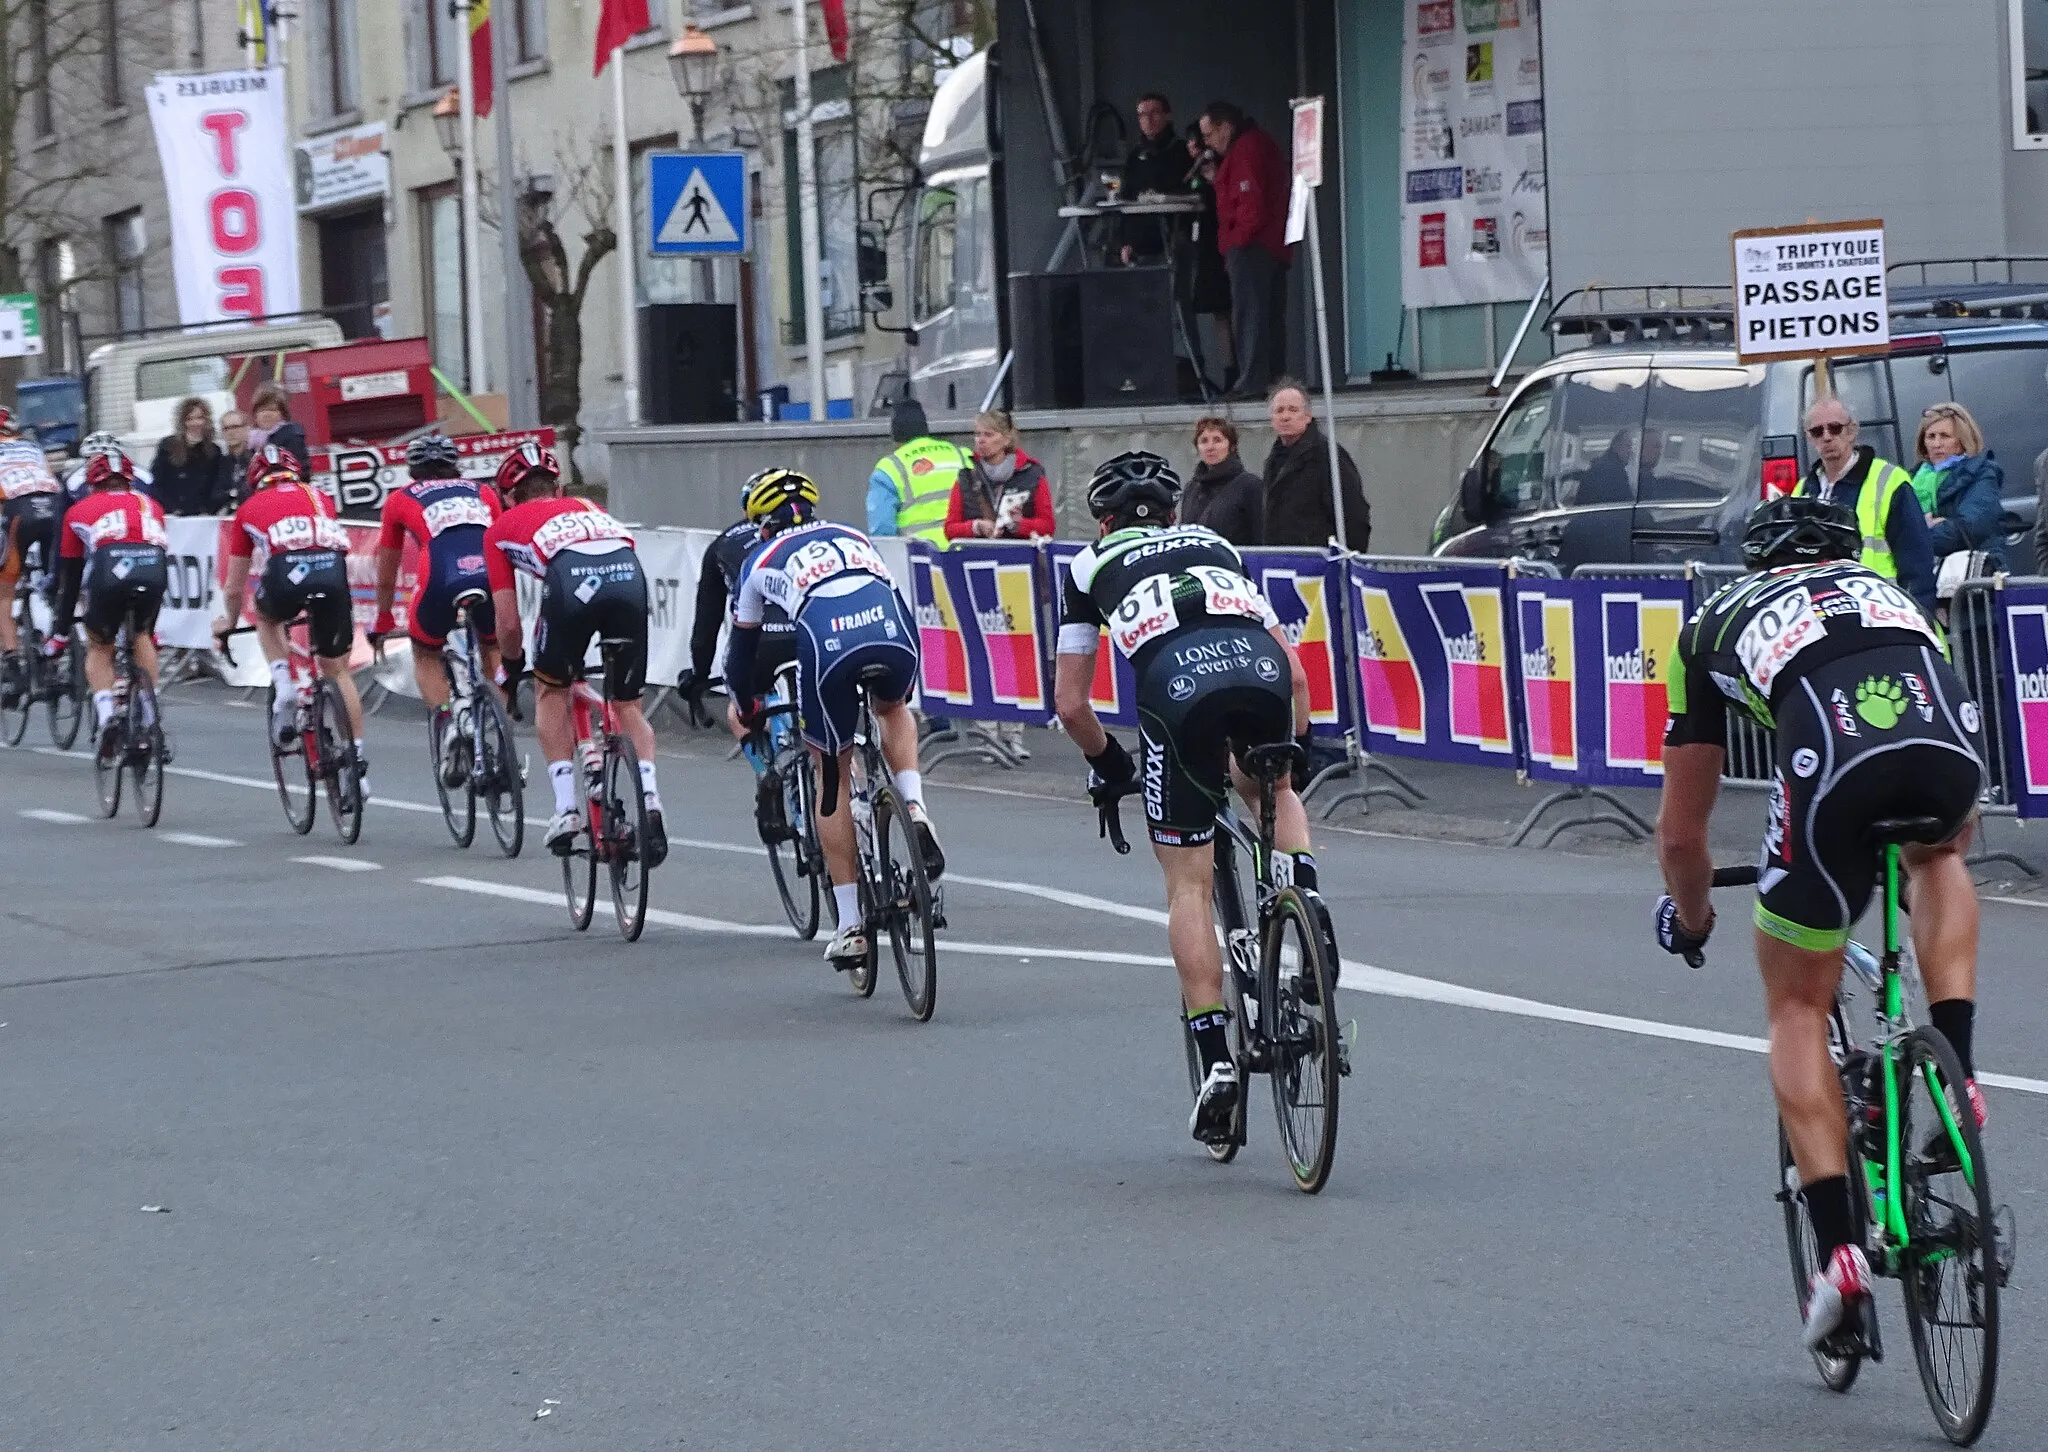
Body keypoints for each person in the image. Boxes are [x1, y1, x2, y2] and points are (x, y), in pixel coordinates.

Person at [1654, 494, 1989, 1351]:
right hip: (1941, 747)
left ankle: (1840, 1255)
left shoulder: (1713, 621)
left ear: (1755, 565)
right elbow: (1952, 806)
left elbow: (1682, 834)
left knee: (1797, 1005)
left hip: (1832, 764)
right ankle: (1957, 1060)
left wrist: (1691, 920)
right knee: (1940, 856)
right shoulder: (1893, 593)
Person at [1052, 451, 1323, 1145]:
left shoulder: (1088, 566)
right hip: (1258, 672)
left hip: (1177, 689)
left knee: (1188, 887)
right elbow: (1292, 667)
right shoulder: (1216, 543)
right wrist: (1300, 741)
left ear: (1104, 520)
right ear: (1174, 513)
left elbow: (1071, 704)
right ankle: (1307, 908)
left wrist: (1113, 766)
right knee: (1273, 783)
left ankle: (1214, 1062)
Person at [722, 467, 946, 967]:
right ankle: (912, 805)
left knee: (833, 773)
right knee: (891, 708)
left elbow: (741, 653)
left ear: (761, 526)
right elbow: (899, 603)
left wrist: (745, 703)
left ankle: (849, 926)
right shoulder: (851, 535)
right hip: (891, 629)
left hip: (827, 642)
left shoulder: (759, 557)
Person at [484, 443, 667, 865]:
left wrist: (512, 668)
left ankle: (567, 809)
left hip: (572, 581)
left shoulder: (499, 528)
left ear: (507, 496)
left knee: (551, 689)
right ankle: (652, 803)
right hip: (627, 573)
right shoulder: (585, 503)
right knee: (627, 705)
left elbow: (508, 624)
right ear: (558, 487)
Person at [215, 445, 370, 792]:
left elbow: (234, 586)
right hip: (331, 572)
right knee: (338, 671)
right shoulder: (319, 496)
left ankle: (284, 683)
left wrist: (228, 621)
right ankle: (357, 760)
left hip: (288, 573)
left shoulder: (249, 509)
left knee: (267, 617)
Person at [371, 433, 502, 788]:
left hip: (440, 574)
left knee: (425, 652)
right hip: (489, 573)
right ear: (456, 465)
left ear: (413, 471)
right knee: (492, 646)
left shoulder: (400, 499)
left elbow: (388, 569)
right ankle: (497, 722)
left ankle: (450, 718)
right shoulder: (484, 493)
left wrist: (383, 619)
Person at [678, 470, 803, 840]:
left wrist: (698, 675)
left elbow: (706, 626)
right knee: (829, 733)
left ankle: (766, 775)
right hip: (810, 625)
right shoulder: (807, 530)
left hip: (759, 635)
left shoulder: (723, 544)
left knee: (742, 707)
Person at [48, 451, 170, 760]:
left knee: (99, 646)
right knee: (141, 636)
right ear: (129, 482)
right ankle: (151, 715)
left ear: (92, 484)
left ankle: (106, 717)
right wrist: (151, 627)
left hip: (109, 572)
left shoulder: (78, 510)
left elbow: (71, 579)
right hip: (153, 571)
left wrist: (61, 632)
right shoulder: (151, 505)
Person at [1792, 397, 1936, 615]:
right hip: (1822, 614)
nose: (1827, 437)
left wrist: (1920, 616)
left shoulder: (1890, 481)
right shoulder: (1803, 490)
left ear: (1852, 431)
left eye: (1835, 428)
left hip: (1883, 613)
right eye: (1817, 432)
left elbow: (1917, 561)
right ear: (1809, 438)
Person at [1199, 100, 1290, 396]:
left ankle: (1252, 380)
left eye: (1209, 134)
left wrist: (1234, 243)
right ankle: (1273, 380)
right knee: (1268, 315)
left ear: (1225, 127)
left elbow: (1250, 203)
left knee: (1249, 314)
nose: (1207, 142)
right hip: (1271, 243)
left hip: (1252, 245)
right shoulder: (1256, 145)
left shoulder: (1246, 150)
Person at [0, 407, 65, 699]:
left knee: (4, 592)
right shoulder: (31, 447)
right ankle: (57, 645)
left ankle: (12, 664)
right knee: (57, 585)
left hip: (18, 513)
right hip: (54, 508)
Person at [1260, 380, 1371, 550]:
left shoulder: (1329, 456)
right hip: (1281, 562)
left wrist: (1346, 561)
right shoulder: (1273, 461)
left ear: (1307, 415)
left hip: (1318, 563)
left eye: (1293, 410)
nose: (1285, 416)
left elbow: (1354, 514)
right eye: (1279, 410)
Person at [1909, 402, 2009, 575]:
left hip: (1973, 578)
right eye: (1931, 436)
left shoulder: (1983, 473)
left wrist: (1915, 534)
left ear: (1962, 441)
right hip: (1929, 575)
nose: (1937, 444)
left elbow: (1967, 527)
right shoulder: (1911, 478)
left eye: (1945, 436)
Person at [868, 396, 970, 547]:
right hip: (967, 552)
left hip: (921, 560)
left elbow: (882, 531)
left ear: (894, 436)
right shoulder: (963, 455)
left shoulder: (890, 467)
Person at [944, 410, 1055, 543]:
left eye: (989, 435)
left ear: (1006, 440)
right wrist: (976, 527)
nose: (981, 440)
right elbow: (950, 529)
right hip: (977, 557)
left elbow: (1048, 526)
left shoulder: (1032, 473)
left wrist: (1019, 524)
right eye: (977, 434)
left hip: (1019, 558)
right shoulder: (966, 476)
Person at [1118, 93, 1184, 264]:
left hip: (1176, 244)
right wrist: (1124, 243)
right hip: (1139, 248)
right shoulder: (1134, 156)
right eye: (1142, 115)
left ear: (1167, 116)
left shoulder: (1183, 152)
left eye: (1154, 113)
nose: (1148, 119)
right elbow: (1125, 198)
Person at [1179, 415, 1261, 545]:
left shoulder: (1249, 485)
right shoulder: (1191, 488)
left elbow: (1259, 534)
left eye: (1217, 440)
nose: (1210, 447)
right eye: (1204, 441)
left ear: (1231, 446)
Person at [149, 398, 231, 517]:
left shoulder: (213, 451)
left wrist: (208, 510)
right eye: (189, 419)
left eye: (199, 418)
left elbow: (217, 487)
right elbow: (156, 483)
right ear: (182, 422)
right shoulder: (168, 446)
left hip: (201, 518)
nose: (195, 423)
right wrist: (172, 509)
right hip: (173, 517)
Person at [248, 384, 310, 476]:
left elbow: (302, 470)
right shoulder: (249, 441)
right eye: (262, 410)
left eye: (272, 410)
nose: (266, 414)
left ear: (283, 414)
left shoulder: (292, 436)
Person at [219, 410, 255, 505]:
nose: (231, 432)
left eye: (235, 427)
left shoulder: (256, 459)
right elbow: (215, 495)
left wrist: (232, 494)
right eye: (226, 428)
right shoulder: (221, 462)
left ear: (246, 428)